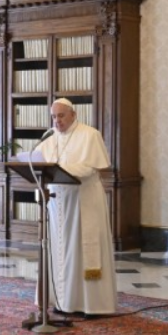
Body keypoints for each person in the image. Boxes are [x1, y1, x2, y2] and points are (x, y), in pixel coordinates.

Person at [33, 98, 116, 316]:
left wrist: (60, 168)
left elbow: (89, 168)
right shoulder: (49, 137)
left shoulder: (90, 135)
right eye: (53, 116)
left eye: (61, 116)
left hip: (83, 201)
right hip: (57, 204)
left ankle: (90, 305)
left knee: (81, 250)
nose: (57, 121)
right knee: (60, 251)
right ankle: (62, 301)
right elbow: (39, 164)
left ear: (73, 114)